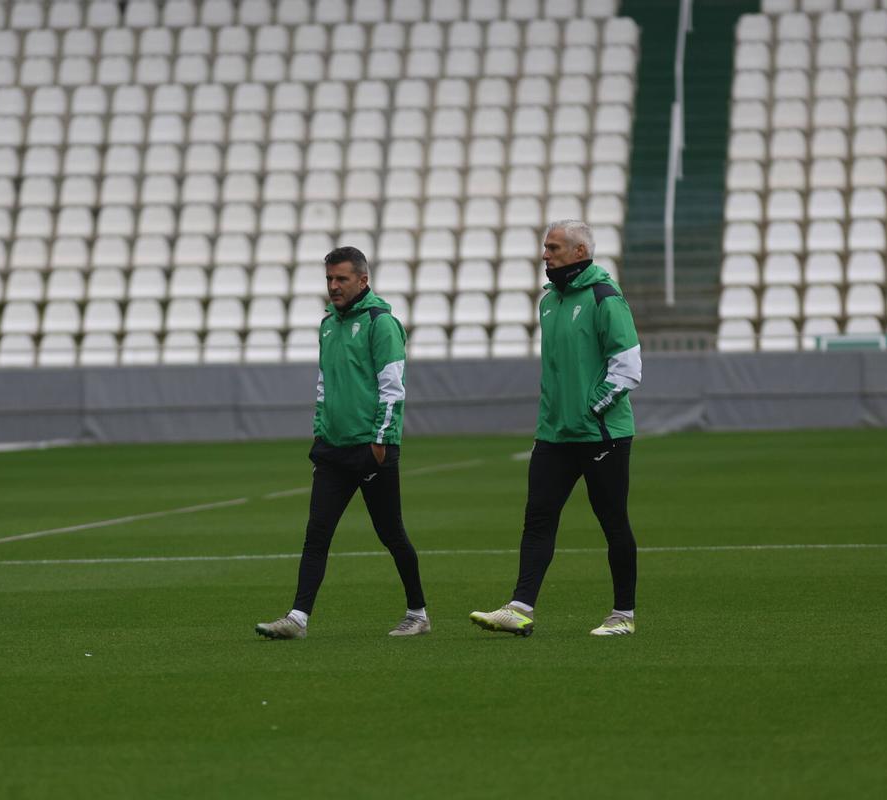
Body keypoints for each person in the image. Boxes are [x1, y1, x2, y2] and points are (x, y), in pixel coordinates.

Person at [470, 220, 642, 637]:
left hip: (601, 434)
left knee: (613, 522)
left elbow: (627, 368)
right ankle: (519, 608)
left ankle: (623, 615)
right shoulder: (549, 301)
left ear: (579, 252)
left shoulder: (605, 298)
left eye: (553, 247)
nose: (545, 254)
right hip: (553, 434)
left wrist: (591, 410)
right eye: (545, 247)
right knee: (538, 519)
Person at [256, 246, 430, 640]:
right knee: (317, 533)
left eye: (341, 279)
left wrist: (380, 444)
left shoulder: (381, 323)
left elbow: (393, 387)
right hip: (332, 449)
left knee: (391, 533)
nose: (333, 286)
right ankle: (297, 618)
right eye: (329, 279)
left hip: (370, 449)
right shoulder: (328, 325)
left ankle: (417, 613)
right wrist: (320, 432)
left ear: (362, 280)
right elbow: (324, 384)